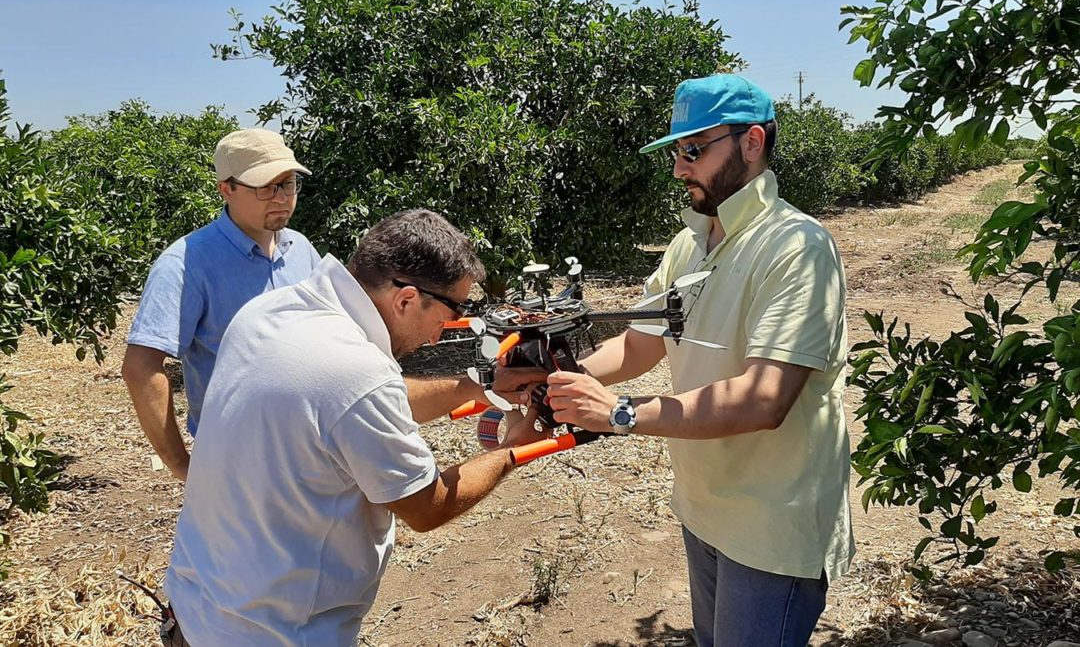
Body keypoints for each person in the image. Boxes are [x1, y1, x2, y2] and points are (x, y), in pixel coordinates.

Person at [545, 74, 855, 646]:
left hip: (771, 524)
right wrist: (562, 382)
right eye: (675, 152)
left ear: (752, 143)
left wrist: (619, 413)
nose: (678, 168)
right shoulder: (688, 245)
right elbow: (640, 343)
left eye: (694, 150)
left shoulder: (797, 247)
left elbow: (764, 398)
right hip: (704, 506)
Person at [163, 209, 547, 646]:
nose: (441, 335)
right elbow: (427, 506)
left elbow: (345, 404)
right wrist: (513, 449)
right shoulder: (358, 374)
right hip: (274, 633)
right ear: (405, 299)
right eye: (450, 311)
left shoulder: (274, 311)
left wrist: (473, 388)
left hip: (198, 609)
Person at [122, 128, 321, 481]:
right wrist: (181, 464)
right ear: (225, 188)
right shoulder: (186, 263)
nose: (281, 197)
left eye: (288, 183)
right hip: (238, 458)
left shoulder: (301, 249)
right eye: (265, 186)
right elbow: (141, 366)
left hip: (315, 446)